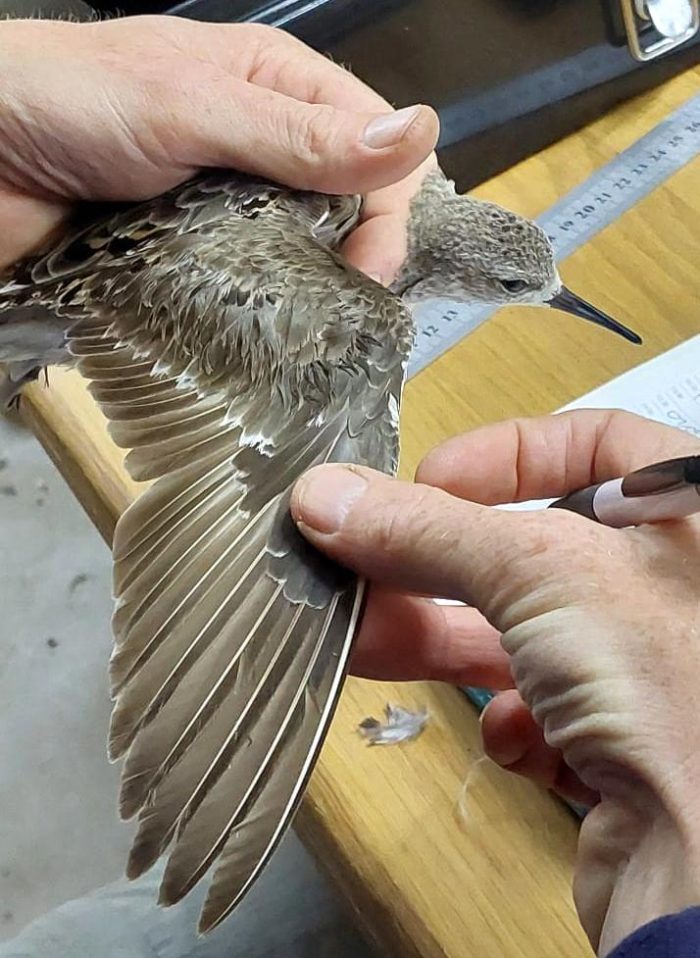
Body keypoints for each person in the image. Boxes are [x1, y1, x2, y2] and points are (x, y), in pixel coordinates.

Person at [1, 12, 698, 958]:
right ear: (457, 271)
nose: (549, 305)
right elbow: (277, 505)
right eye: (517, 290)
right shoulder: (351, 323)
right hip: (40, 302)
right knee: (343, 398)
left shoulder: (375, 224)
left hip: (110, 252)